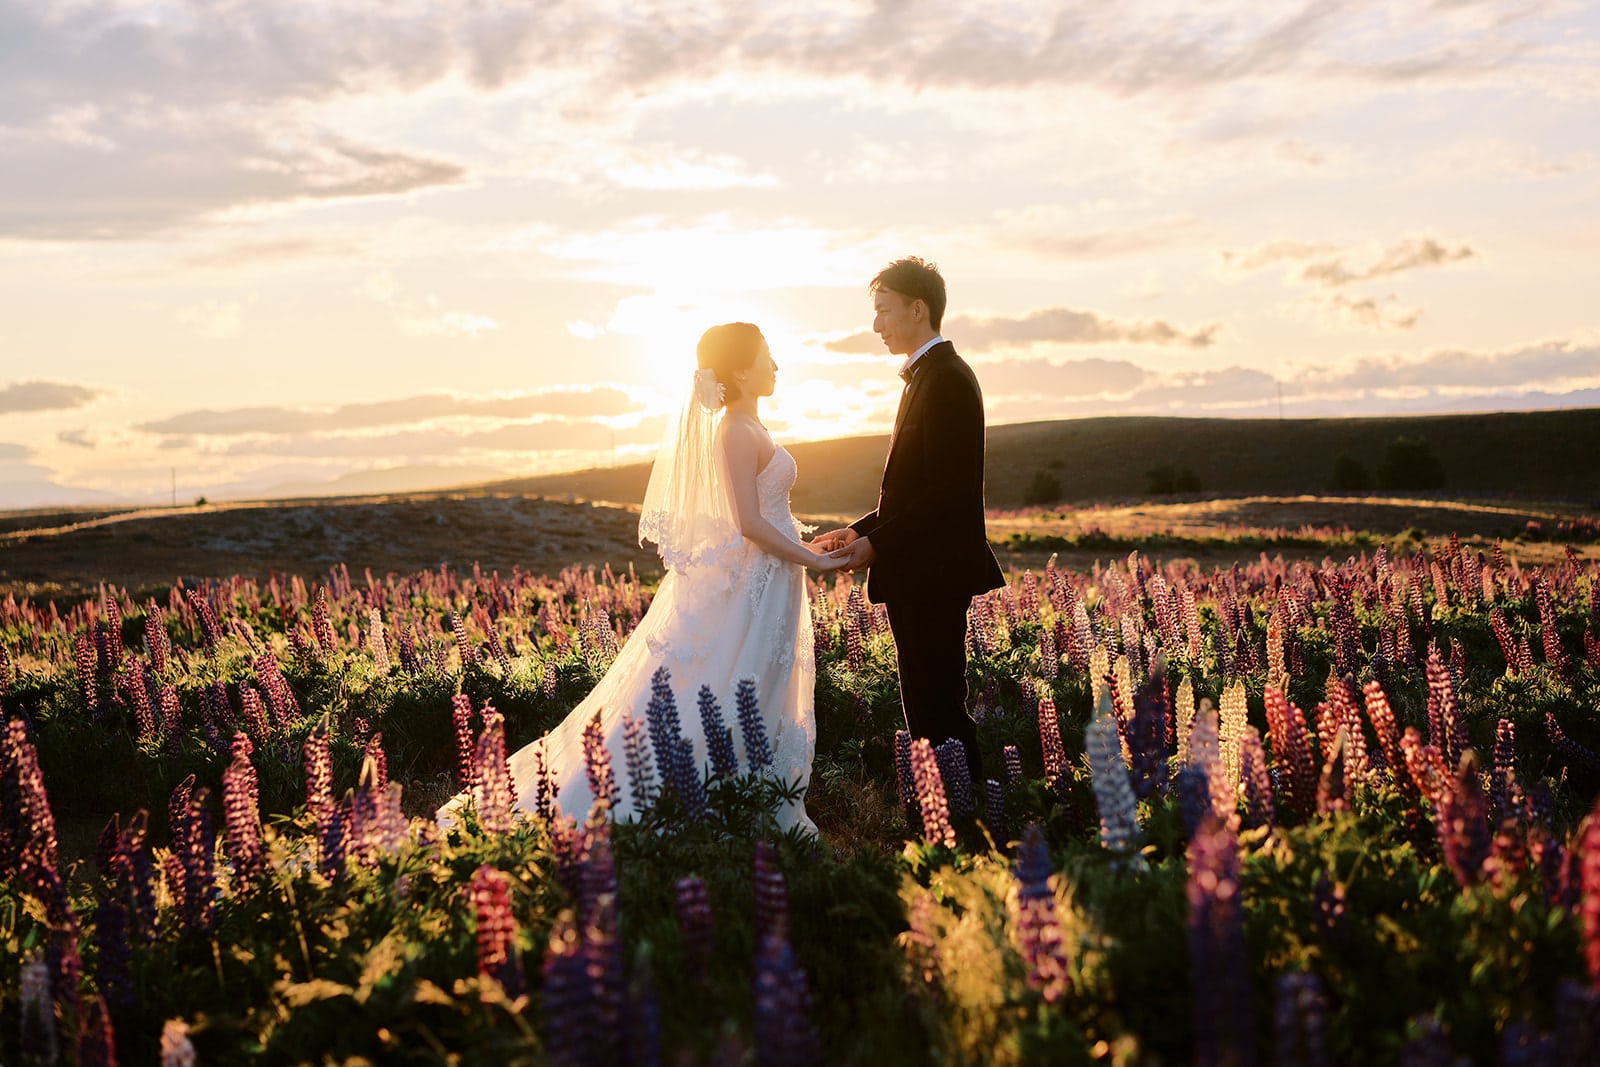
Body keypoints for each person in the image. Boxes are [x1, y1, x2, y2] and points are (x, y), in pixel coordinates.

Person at [439, 323, 845, 834]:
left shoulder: (751, 427)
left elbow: (770, 515)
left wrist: (812, 545)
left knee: (757, 684)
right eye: (767, 356)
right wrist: (812, 561)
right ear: (741, 371)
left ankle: (750, 800)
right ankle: (696, 803)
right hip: (756, 583)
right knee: (725, 688)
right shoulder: (736, 431)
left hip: (771, 579)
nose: (776, 365)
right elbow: (747, 523)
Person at [819, 257, 1004, 787]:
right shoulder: (929, 375)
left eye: (883, 311)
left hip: (934, 572)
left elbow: (947, 494)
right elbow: (914, 492)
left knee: (938, 710)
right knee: (926, 706)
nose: (877, 325)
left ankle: (963, 825)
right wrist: (861, 531)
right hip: (922, 569)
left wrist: (878, 545)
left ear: (917, 309)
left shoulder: (945, 378)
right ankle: (947, 817)